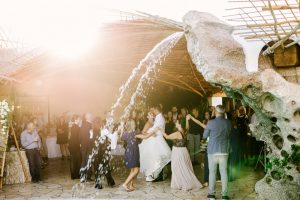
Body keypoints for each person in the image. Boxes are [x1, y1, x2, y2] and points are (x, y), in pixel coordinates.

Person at [162, 121, 203, 191]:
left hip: (178, 152)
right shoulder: (183, 131)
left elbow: (167, 137)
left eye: (177, 122)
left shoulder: (178, 133)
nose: (176, 123)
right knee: (183, 167)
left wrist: (160, 130)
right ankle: (181, 182)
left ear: (180, 125)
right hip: (183, 151)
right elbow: (187, 127)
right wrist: (187, 120)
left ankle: (182, 183)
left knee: (177, 167)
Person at [136, 105, 171, 182]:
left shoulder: (159, 117)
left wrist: (151, 133)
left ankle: (157, 175)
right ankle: (155, 174)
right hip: (154, 139)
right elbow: (152, 129)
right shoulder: (157, 118)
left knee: (157, 157)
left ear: (156, 109)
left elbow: (155, 128)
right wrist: (151, 133)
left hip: (156, 139)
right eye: (150, 114)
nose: (152, 113)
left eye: (153, 111)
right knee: (155, 157)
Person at [203, 105, 231, 200]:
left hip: (212, 150)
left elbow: (204, 135)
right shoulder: (228, 123)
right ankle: (224, 195)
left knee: (212, 173)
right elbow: (228, 134)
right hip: (224, 150)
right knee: (223, 173)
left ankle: (211, 194)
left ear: (216, 112)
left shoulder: (211, 122)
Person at [93, 116, 115, 189]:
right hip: (102, 151)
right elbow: (112, 137)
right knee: (105, 166)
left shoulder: (92, 130)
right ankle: (110, 181)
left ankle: (98, 183)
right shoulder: (104, 130)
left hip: (95, 151)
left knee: (97, 167)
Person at [121, 110, 140, 192]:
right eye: (134, 123)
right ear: (133, 125)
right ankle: (125, 184)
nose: (135, 124)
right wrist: (152, 132)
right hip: (133, 152)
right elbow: (144, 137)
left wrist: (122, 128)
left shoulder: (125, 134)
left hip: (129, 151)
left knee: (132, 169)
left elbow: (121, 137)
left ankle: (131, 185)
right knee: (136, 170)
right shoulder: (135, 133)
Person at [79, 113, 93, 181]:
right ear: (89, 117)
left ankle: (82, 177)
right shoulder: (90, 125)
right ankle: (88, 176)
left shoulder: (83, 125)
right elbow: (91, 137)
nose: (92, 117)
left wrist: (81, 143)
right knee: (88, 161)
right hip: (89, 146)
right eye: (91, 116)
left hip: (83, 146)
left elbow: (80, 136)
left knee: (83, 161)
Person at [69, 115, 82, 179]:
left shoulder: (73, 127)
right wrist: (80, 144)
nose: (80, 120)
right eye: (79, 119)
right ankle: (76, 175)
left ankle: (73, 175)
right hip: (75, 146)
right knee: (76, 161)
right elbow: (77, 138)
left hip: (72, 145)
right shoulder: (76, 127)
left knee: (73, 161)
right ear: (76, 120)